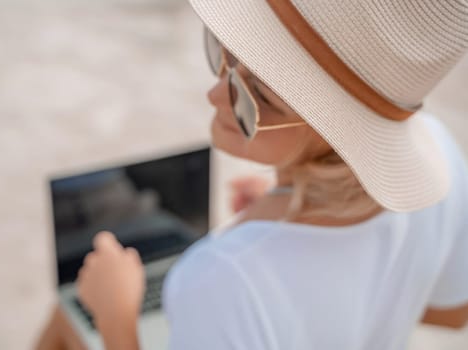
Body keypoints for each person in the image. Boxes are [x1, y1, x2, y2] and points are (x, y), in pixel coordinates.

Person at [76, 1, 468, 349]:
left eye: (260, 97)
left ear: (337, 133)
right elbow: (454, 313)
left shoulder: (219, 281)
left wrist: (117, 321)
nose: (214, 96)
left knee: (66, 321)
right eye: (225, 52)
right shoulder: (444, 155)